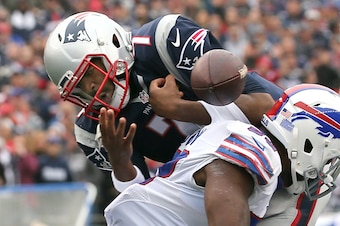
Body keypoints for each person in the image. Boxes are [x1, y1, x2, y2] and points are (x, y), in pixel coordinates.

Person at [43, 12, 330, 225]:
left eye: (90, 73)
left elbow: (265, 107)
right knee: (124, 213)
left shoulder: (165, 39)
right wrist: (120, 162)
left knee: (224, 153)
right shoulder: (91, 129)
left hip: (283, 156)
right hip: (202, 181)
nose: (91, 89)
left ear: (113, 43)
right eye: (79, 87)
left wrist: (179, 109)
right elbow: (142, 201)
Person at [101, 83, 340, 225]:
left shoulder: (240, 137)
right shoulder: (255, 147)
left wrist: (121, 164)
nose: (328, 167)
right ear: (309, 140)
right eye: (330, 157)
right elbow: (223, 179)